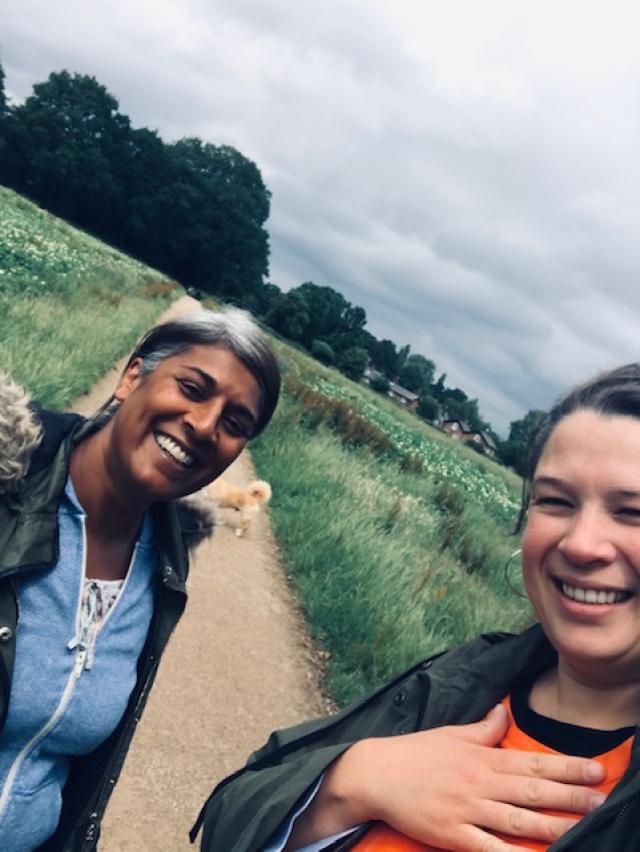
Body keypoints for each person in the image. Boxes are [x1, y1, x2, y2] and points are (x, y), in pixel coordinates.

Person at [192, 363, 640, 852]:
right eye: (556, 501)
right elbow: (228, 816)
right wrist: (347, 785)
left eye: (633, 512)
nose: (581, 544)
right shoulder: (467, 677)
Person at [0, 307, 280, 852]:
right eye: (193, 388)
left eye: (234, 423)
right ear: (133, 377)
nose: (204, 426)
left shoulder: (164, 569)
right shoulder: (6, 488)